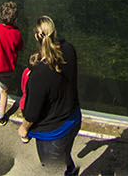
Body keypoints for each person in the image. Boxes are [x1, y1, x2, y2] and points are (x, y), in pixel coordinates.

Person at [18, 17, 82, 175]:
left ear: (35, 37)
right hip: (73, 119)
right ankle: (71, 171)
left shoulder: (38, 74)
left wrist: (23, 128)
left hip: (53, 132)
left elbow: (31, 113)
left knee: (52, 169)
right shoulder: (69, 50)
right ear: (55, 33)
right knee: (65, 154)